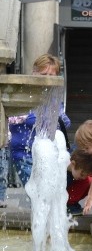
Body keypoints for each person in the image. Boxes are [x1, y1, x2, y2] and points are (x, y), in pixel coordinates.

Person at [7, 55, 71, 188]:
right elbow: (11, 119)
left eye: (52, 75)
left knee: (45, 193)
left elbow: (65, 121)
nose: (47, 79)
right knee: (39, 192)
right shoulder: (23, 93)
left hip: (46, 155)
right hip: (24, 155)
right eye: (43, 74)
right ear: (34, 72)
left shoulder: (53, 96)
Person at [66, 148, 92, 215]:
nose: (83, 177)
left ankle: (71, 205)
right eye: (82, 174)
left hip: (70, 201)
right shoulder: (64, 176)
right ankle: (68, 207)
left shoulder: (78, 175)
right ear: (73, 164)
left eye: (86, 175)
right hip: (62, 202)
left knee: (89, 182)